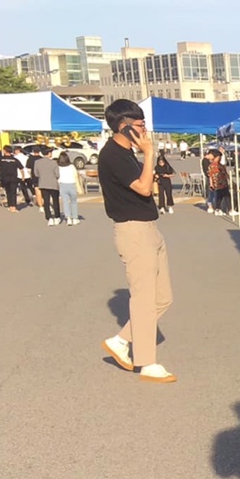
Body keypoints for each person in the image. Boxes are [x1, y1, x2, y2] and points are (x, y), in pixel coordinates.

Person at [98, 99, 175, 384]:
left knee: (163, 297)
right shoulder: (112, 155)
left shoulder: (127, 153)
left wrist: (144, 154)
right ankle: (146, 362)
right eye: (141, 125)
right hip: (132, 230)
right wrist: (150, 152)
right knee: (143, 299)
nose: (145, 131)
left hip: (148, 227)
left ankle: (120, 341)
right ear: (125, 127)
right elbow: (143, 188)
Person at [34, 149, 62, 224]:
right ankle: (57, 216)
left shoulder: (37, 162)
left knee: (46, 201)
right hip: (53, 184)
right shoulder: (53, 162)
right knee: (55, 201)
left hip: (43, 184)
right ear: (49, 153)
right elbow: (57, 175)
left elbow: (36, 174)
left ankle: (49, 217)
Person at [57, 153, 82, 225]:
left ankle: (68, 218)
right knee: (73, 202)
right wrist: (79, 187)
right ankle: (75, 218)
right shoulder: (72, 166)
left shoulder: (58, 167)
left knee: (65, 202)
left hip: (62, 185)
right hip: (72, 184)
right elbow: (76, 176)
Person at [205, 150, 231, 216]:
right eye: (219, 157)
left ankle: (219, 209)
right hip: (218, 183)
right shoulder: (213, 166)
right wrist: (211, 184)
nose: (220, 158)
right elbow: (210, 175)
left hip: (223, 182)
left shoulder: (220, 165)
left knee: (221, 196)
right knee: (225, 196)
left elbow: (225, 174)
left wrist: (229, 179)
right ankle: (228, 209)